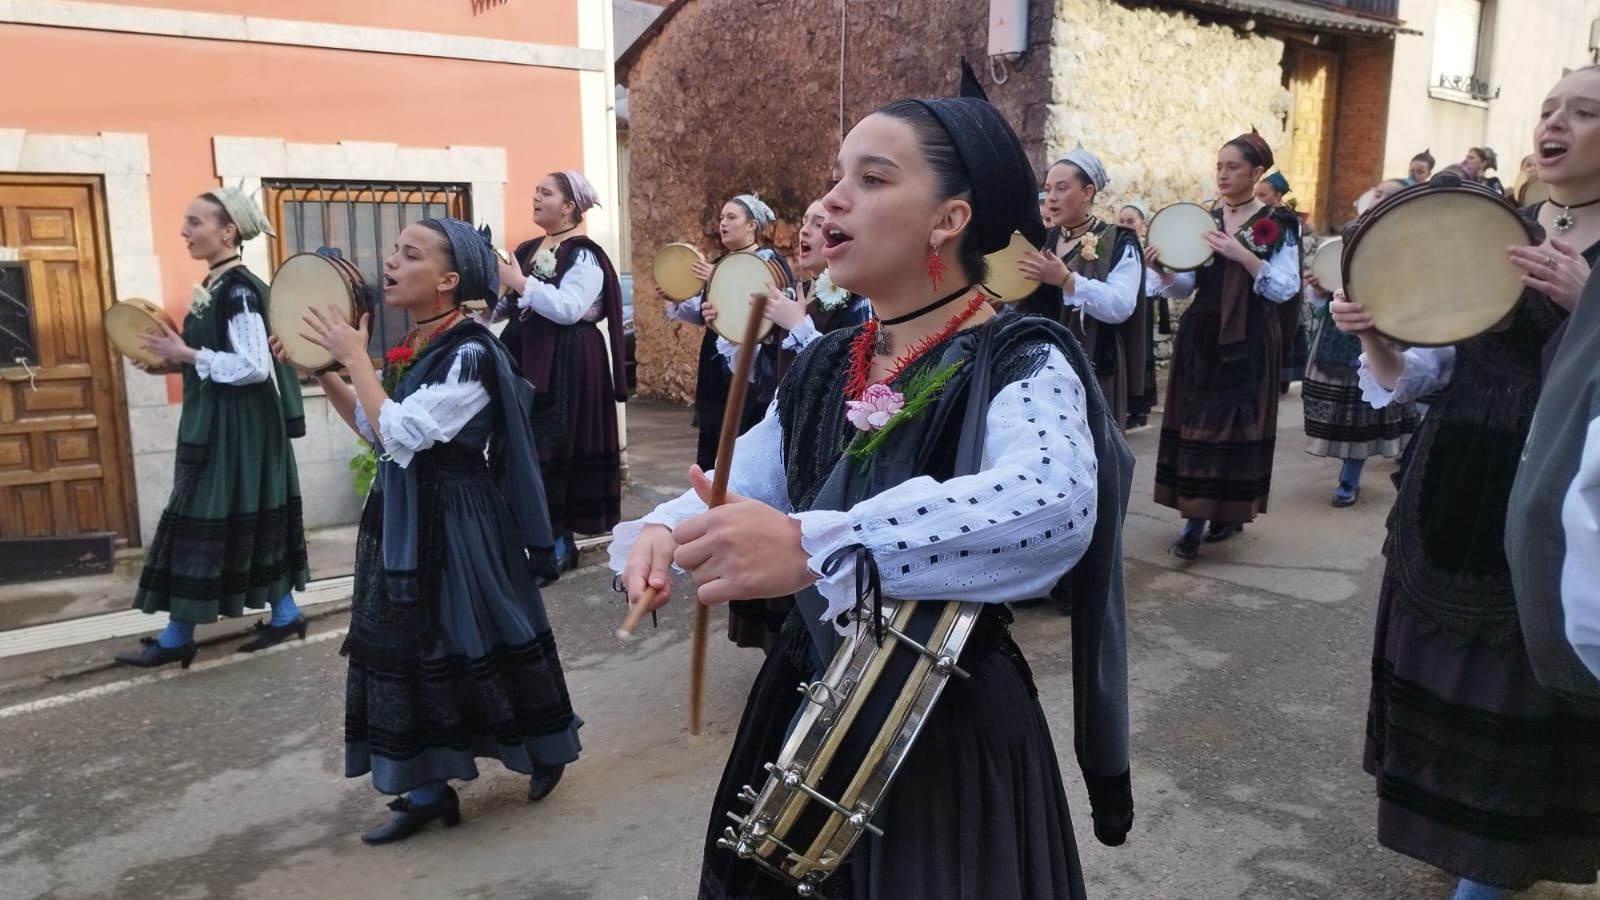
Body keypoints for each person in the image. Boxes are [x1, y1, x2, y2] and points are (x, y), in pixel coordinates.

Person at [613, 95, 1132, 899]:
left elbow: (1052, 506)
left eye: (872, 178)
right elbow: (746, 477)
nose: (830, 202)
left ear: (948, 218)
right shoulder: (827, 362)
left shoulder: (1021, 358)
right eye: (834, 178)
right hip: (808, 697)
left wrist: (818, 545)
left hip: (943, 724)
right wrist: (663, 529)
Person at [1335, 66, 1600, 898]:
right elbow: (1432, 370)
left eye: (1585, 111)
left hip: (1554, 506)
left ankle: (1492, 868)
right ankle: (1464, 849)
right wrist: (1378, 338)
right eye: (1550, 106)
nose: (1555, 122)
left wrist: (1592, 304)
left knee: (1523, 689)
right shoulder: (1491, 225)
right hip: (1452, 489)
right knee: (1448, 674)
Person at [291, 217, 582, 844]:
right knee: (409, 646)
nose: (391, 261)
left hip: (457, 520)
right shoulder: (417, 348)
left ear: (449, 280)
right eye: (394, 249)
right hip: (402, 514)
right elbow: (376, 430)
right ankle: (426, 790)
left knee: (482, 632)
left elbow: (404, 434)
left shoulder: (471, 352)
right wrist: (327, 372)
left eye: (410, 254)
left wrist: (350, 357)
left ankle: (544, 745)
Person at [115, 187, 310, 668]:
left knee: (203, 516)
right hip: (225, 423)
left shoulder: (239, 291)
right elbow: (220, 359)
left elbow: (255, 367)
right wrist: (172, 364)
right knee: (248, 513)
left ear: (227, 232)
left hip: (237, 427)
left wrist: (186, 355)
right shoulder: (218, 287)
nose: (184, 231)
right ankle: (285, 614)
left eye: (195, 222)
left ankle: (179, 635)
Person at [1147, 133, 1302, 560]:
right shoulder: (1203, 221)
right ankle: (1194, 519)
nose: (1223, 174)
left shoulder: (1280, 224)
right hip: (1202, 333)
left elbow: (1284, 288)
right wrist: (1161, 268)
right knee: (1198, 422)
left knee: (1237, 423)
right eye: (1219, 166)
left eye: (1233, 167)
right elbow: (1187, 285)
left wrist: (1245, 255)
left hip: (1250, 335)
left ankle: (1225, 513)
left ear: (1256, 173)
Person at [496, 171, 628, 572]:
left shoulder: (584, 254)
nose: (535, 196)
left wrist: (520, 283)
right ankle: (538, 539)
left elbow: (569, 309)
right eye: (535, 190)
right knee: (522, 449)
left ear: (569, 206)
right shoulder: (528, 248)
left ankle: (554, 544)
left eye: (546, 192)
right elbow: (507, 305)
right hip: (528, 354)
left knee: (554, 450)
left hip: (568, 361)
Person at [659, 194, 794, 470]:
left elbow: (772, 310)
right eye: (722, 217)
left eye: (731, 217)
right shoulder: (719, 262)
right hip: (716, 361)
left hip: (754, 367)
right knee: (715, 438)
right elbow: (705, 312)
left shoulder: (769, 262)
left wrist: (722, 277)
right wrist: (678, 299)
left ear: (751, 226)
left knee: (743, 436)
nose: (723, 223)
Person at [1017, 146, 1147, 431]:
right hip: (1040, 366)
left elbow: (1121, 306)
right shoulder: (1044, 239)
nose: (1051, 197)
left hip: (1094, 367)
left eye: (1062, 188)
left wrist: (1068, 281)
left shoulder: (1118, 241)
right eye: (1048, 189)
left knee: (1092, 454)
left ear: (1087, 192)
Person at [1301, 208, 1419, 507]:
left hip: (1381, 341)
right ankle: (1348, 471)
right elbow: (1319, 300)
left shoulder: (1401, 262)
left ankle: (1349, 478)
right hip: (1335, 340)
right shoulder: (1338, 254)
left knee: (1364, 410)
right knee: (1341, 409)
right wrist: (1317, 288)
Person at [1253, 172, 1309, 393]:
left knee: (1283, 323)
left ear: (1277, 195)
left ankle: (1280, 378)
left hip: (1282, 279)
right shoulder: (1259, 214)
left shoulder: (1286, 220)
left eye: (1263, 194)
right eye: (1256, 193)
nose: (1258, 198)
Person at [1117, 201, 1160, 429]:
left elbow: (1156, 284)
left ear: (1142, 226)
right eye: (1121, 221)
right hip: (1127, 306)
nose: (1125, 226)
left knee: (1141, 352)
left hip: (1142, 304)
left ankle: (1139, 408)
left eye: (1130, 222)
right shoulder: (1119, 249)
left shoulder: (1149, 251)